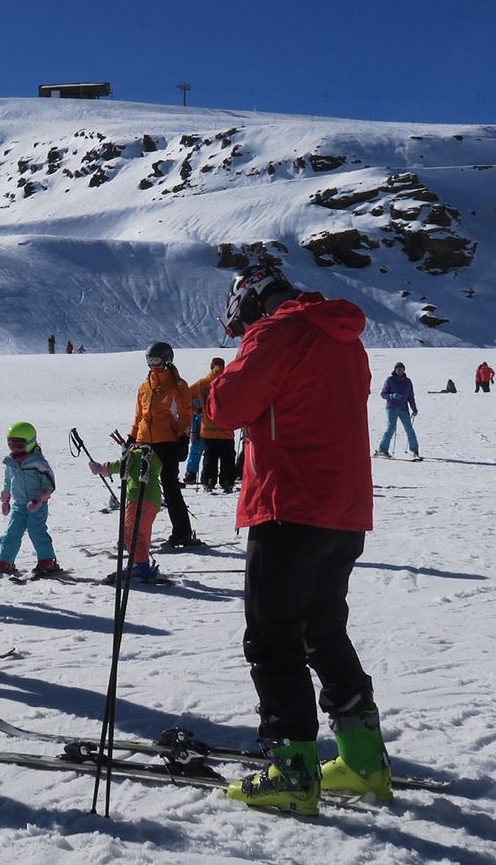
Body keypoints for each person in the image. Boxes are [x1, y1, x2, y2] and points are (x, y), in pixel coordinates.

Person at [205, 256, 391, 814]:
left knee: (272, 638)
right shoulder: (343, 336)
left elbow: (227, 407)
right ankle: (363, 760)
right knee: (322, 630)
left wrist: (232, 366)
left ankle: (291, 772)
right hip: (344, 507)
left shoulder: (275, 333)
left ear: (250, 302)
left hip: (288, 502)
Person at [130, 342, 198, 547]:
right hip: (144, 441)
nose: (153, 365)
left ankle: (182, 532)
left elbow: (185, 414)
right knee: (138, 488)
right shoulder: (145, 386)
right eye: (149, 361)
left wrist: (183, 438)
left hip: (167, 442)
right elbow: (139, 416)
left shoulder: (178, 386)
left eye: (157, 361)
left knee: (170, 486)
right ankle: (133, 533)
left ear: (167, 360)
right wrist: (132, 438)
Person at [88, 443, 166, 584]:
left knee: (130, 531)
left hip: (138, 496)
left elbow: (121, 465)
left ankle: (141, 567)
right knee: (142, 532)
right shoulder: (154, 457)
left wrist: (101, 468)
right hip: (154, 499)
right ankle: (139, 563)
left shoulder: (136, 454)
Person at [0, 422, 60, 576]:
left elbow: (49, 482)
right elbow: (8, 481)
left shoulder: (38, 463)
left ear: (30, 443)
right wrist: (5, 499)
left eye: (19, 446)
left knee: (37, 531)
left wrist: (41, 498)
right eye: (11, 445)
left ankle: (47, 561)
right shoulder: (11, 462)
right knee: (11, 533)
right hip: (19, 505)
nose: (15, 450)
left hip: (36, 505)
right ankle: (5, 561)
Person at [192, 357, 236, 494]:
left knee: (210, 457)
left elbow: (184, 396)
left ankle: (209, 481)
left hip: (208, 429)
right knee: (227, 458)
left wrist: (196, 410)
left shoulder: (202, 383)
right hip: (226, 429)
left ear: (211, 367)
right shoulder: (230, 382)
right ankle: (227, 481)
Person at [375, 362, 420, 460]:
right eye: (398, 369)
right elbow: (383, 394)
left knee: (409, 429)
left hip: (403, 408)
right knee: (391, 428)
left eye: (401, 369)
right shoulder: (390, 380)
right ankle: (382, 450)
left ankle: (414, 450)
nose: (400, 371)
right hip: (391, 407)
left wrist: (414, 408)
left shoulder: (408, 381)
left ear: (404, 370)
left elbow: (410, 396)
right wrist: (392, 396)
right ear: (395, 370)